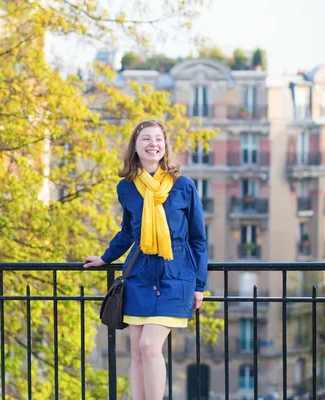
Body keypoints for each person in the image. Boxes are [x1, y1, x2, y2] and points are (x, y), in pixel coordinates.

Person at [84, 120, 208, 400]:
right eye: (146, 140)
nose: (153, 144)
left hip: (176, 276)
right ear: (136, 148)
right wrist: (106, 258)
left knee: (151, 345)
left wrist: (199, 285)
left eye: (159, 139)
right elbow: (128, 231)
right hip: (139, 274)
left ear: (165, 146)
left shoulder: (184, 186)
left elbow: (198, 239)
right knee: (137, 350)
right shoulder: (126, 188)